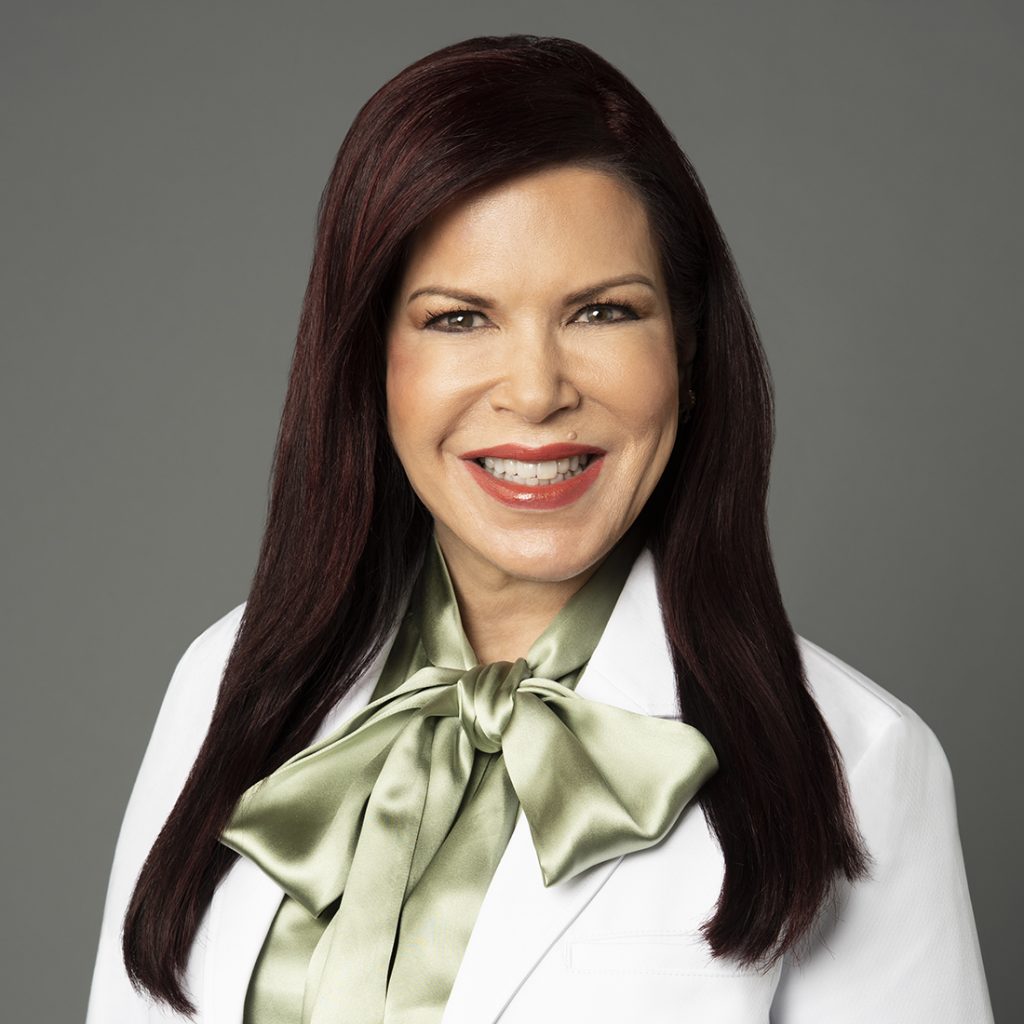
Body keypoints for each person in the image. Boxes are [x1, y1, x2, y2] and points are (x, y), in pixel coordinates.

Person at [85, 33, 993, 1024]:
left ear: (687, 351)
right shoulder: (223, 685)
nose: (535, 392)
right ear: (369, 361)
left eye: (601, 312)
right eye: (458, 318)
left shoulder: (858, 764)